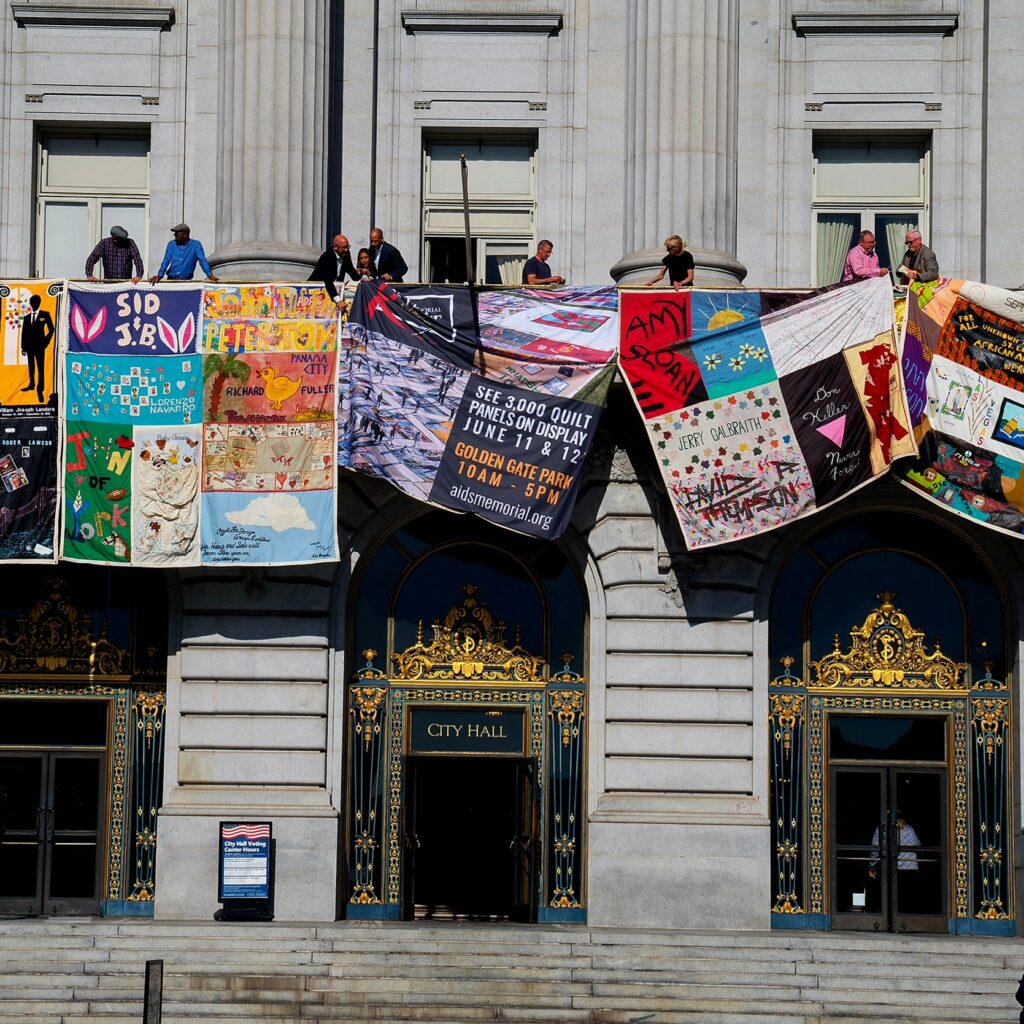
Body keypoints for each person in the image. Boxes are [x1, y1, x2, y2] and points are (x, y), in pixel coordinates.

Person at [150, 223, 219, 283]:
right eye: (174, 235)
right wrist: (160, 275)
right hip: (171, 280)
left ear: (185, 235)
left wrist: (209, 275)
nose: (175, 237)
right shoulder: (171, 244)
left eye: (177, 235)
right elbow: (166, 260)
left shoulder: (196, 245)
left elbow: (202, 260)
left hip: (186, 281)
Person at [19, 294, 55, 404]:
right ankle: (31, 384)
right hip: (29, 347)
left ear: (38, 303)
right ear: (30, 304)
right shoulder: (27, 317)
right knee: (31, 367)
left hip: (40, 347)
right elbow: (24, 333)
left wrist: (45, 342)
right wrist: (23, 347)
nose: (33, 304)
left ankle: (40, 389)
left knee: (40, 368)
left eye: (34, 302)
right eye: (32, 302)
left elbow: (51, 329)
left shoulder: (45, 314)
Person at [309, 234, 359, 304]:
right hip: (316, 291)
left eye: (347, 247)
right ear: (335, 247)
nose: (346, 249)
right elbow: (327, 280)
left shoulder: (346, 254)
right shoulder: (327, 257)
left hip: (334, 290)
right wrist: (338, 300)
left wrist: (360, 280)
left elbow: (350, 269)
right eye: (343, 247)